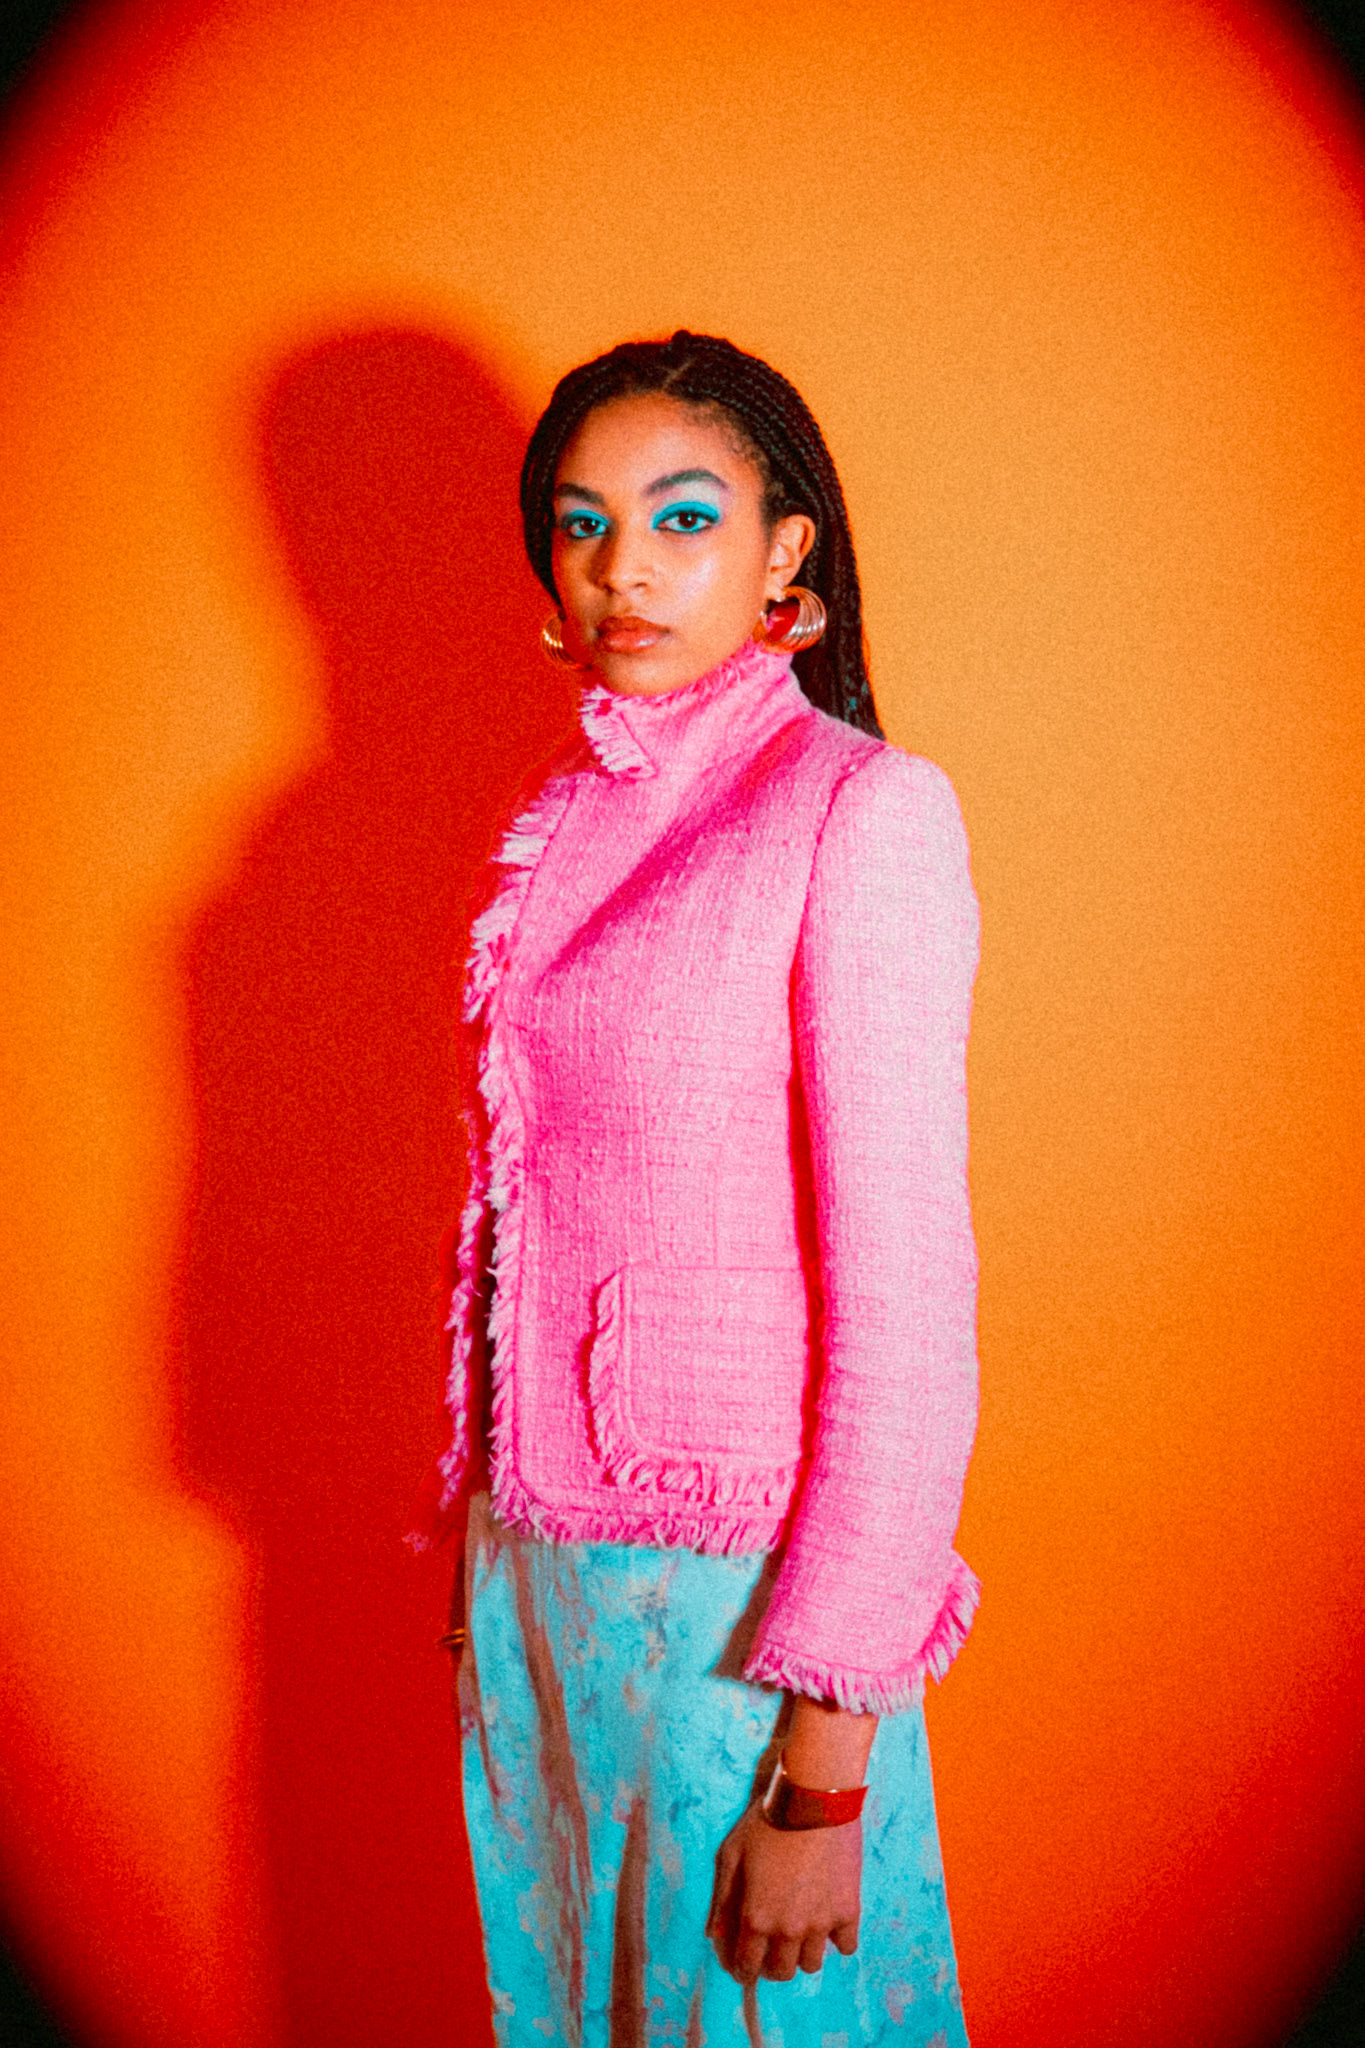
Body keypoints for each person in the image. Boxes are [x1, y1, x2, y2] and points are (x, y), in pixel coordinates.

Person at [409, 330, 981, 2046]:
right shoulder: (575, 811)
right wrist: (487, 1560)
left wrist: (826, 1768)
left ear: (784, 547)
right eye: (582, 526)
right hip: (537, 1574)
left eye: (680, 518)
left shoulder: (859, 812)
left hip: (735, 1595)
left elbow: (906, 1299)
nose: (622, 571)